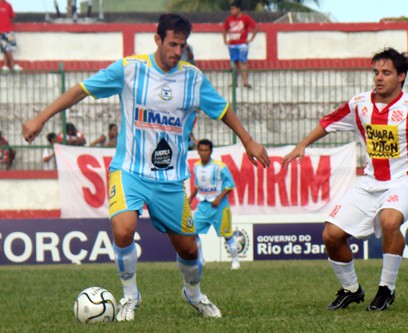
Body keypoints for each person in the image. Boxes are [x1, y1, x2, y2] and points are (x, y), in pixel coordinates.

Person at [23, 13, 269, 321]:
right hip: (128, 171)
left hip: (170, 181)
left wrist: (248, 141)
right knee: (123, 230)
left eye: (182, 45)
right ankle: (130, 296)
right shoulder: (130, 69)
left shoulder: (192, 78)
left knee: (189, 250)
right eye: (172, 43)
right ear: (158, 39)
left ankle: (193, 293)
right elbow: (82, 89)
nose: (177, 51)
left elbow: (222, 110)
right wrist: (41, 118)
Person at [281, 47, 408, 311]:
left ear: (401, 76)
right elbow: (328, 123)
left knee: (389, 220)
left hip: (407, 180)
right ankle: (351, 290)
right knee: (331, 235)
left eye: (386, 72)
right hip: (370, 182)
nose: (379, 77)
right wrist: (302, 144)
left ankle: (386, 289)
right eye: (376, 72)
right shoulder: (359, 104)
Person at [188, 139, 241, 270]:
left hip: (219, 207)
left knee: (227, 234)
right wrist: (190, 199)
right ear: (198, 151)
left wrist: (219, 198)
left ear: (211, 151)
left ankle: (235, 260)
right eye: (201, 150)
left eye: (206, 150)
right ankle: (201, 259)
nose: (203, 153)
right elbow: (197, 185)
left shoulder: (220, 166)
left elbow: (230, 185)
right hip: (203, 206)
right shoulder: (196, 166)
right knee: (192, 232)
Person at [223, 0, 257, 89]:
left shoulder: (245, 18)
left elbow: (255, 27)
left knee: (243, 62)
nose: (232, 11)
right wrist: (225, 40)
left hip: (242, 44)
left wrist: (250, 39)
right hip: (232, 44)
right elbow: (224, 29)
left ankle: (245, 82)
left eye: (233, 9)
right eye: (231, 9)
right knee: (234, 63)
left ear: (238, 9)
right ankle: (234, 82)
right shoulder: (229, 19)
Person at [0, 0, 22, 72]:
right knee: (6, 48)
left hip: (9, 31)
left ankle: (5, 66)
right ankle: (12, 65)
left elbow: (12, 16)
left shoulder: (8, 5)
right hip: (1, 31)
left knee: (9, 48)